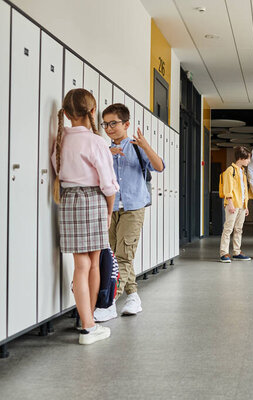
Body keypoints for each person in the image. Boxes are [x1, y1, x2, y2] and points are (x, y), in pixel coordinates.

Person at [51, 88, 119, 345]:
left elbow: (58, 169)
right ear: (93, 112)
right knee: (92, 265)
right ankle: (88, 324)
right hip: (93, 200)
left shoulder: (60, 139)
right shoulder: (96, 141)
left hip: (68, 201)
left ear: (66, 114)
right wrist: (110, 210)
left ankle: (86, 320)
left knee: (81, 265)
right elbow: (108, 185)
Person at [93, 103, 165, 322]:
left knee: (123, 254)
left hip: (133, 208)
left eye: (113, 123)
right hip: (110, 209)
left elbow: (159, 167)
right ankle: (133, 296)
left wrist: (145, 145)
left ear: (126, 124)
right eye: (105, 124)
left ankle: (109, 302)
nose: (109, 128)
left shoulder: (136, 146)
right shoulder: (103, 149)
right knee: (115, 255)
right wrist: (106, 154)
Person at [219, 146, 252, 262]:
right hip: (232, 204)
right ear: (241, 158)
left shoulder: (242, 171)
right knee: (228, 228)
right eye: (247, 158)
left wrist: (246, 206)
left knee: (239, 229)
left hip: (241, 205)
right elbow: (228, 188)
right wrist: (230, 203)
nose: (249, 161)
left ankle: (237, 251)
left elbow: (244, 190)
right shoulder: (230, 171)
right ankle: (224, 253)